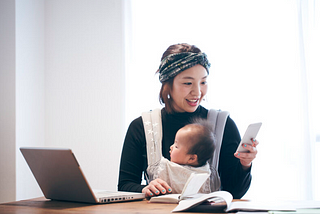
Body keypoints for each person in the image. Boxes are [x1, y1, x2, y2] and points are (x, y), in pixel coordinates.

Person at [118, 43, 258, 199]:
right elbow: (125, 185)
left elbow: (235, 192)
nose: (197, 92)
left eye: (203, 82)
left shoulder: (223, 125)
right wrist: (144, 189)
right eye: (188, 83)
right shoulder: (141, 127)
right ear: (167, 85)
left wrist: (245, 164)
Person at [148, 118, 215, 195]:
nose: (171, 147)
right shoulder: (166, 167)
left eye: (176, 146)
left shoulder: (204, 173)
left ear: (192, 158)